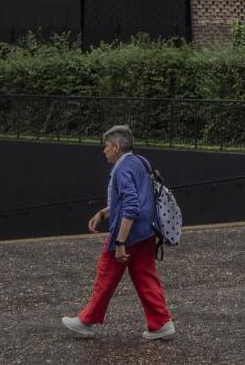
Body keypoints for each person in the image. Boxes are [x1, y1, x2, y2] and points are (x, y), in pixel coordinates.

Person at [61, 124, 174, 341]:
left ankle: (86, 321)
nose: (104, 151)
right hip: (147, 231)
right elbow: (137, 198)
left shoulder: (121, 169)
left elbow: (131, 205)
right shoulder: (140, 162)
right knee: (144, 275)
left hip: (129, 233)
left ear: (117, 146)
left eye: (106, 146)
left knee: (106, 273)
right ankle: (161, 323)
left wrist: (120, 241)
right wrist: (104, 213)